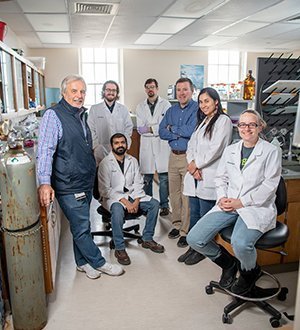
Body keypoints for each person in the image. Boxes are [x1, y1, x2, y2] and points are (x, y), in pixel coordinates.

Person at [37, 74, 124, 280]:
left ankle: (82, 262)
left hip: (83, 180)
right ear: (64, 92)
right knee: (82, 226)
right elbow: (45, 150)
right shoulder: (53, 115)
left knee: (80, 225)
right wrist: (44, 182)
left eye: (82, 91)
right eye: (74, 91)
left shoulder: (80, 114)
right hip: (68, 182)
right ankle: (99, 262)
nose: (79, 95)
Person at [187, 109, 281, 295]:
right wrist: (222, 197)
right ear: (238, 128)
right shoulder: (231, 150)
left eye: (252, 124)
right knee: (194, 238)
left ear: (260, 126)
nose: (246, 128)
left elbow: (270, 185)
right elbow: (221, 178)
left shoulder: (271, 151)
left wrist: (242, 202)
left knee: (240, 243)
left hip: (255, 207)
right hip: (228, 203)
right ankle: (229, 264)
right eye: (243, 124)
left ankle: (249, 273)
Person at [179, 87, 233, 265]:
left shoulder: (223, 121)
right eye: (201, 102)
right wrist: (192, 166)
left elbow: (216, 149)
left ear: (216, 101)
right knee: (194, 213)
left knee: (204, 215)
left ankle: (202, 248)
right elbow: (191, 146)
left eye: (206, 101)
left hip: (210, 175)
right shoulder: (203, 122)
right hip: (196, 175)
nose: (203, 105)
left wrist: (197, 165)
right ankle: (193, 246)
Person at [98, 133, 165, 266]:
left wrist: (136, 201)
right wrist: (125, 201)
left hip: (133, 194)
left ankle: (147, 238)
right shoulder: (105, 163)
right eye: (116, 143)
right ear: (112, 146)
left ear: (126, 144)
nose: (120, 145)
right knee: (117, 210)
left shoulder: (132, 160)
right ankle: (120, 248)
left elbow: (138, 183)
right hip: (113, 198)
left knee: (154, 204)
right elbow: (104, 190)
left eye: (122, 142)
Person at [159, 77, 198, 248]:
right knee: (173, 192)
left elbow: (191, 131)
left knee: (186, 194)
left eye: (185, 89)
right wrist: (177, 134)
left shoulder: (197, 109)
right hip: (172, 156)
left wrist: (172, 129)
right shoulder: (171, 110)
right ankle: (176, 224)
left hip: (188, 156)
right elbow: (161, 131)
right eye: (179, 90)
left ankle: (185, 230)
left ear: (192, 91)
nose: (181, 93)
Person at [136, 78, 171, 216]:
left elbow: (166, 126)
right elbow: (140, 129)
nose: (150, 89)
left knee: (163, 178)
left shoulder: (166, 104)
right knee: (147, 178)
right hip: (147, 146)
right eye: (148, 87)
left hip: (162, 144)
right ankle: (149, 204)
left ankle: (164, 205)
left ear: (157, 88)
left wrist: (150, 129)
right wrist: (156, 128)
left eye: (152, 87)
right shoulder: (140, 107)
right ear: (145, 89)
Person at [87, 80, 133, 166]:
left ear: (117, 93)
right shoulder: (94, 109)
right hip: (100, 150)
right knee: (101, 176)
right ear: (103, 91)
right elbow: (90, 129)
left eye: (114, 90)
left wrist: (124, 144)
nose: (111, 92)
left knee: (118, 175)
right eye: (108, 90)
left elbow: (128, 128)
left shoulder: (123, 109)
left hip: (119, 148)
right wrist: (97, 146)